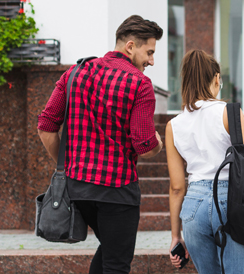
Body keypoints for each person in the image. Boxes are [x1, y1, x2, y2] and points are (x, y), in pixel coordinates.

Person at [37, 15, 163, 273]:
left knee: (109, 251)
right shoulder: (140, 84)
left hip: (77, 188)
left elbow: (46, 126)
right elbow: (145, 146)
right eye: (149, 52)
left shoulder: (75, 72)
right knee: (117, 263)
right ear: (130, 46)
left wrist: (69, 167)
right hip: (117, 190)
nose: (151, 60)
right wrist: (158, 143)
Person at [165, 50, 244, 273]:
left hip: (193, 206)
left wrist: (176, 236)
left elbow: (177, 187)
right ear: (216, 79)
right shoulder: (230, 113)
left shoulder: (173, 126)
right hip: (230, 200)